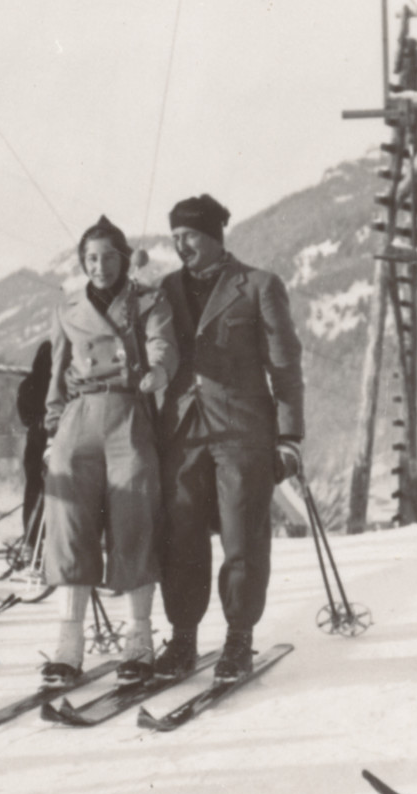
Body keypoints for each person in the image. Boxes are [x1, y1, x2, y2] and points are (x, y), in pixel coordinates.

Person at [153, 194, 305, 683]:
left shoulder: (259, 285)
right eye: (175, 237)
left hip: (243, 429)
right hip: (183, 431)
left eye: (190, 237)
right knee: (181, 538)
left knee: (243, 537)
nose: (181, 246)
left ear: (214, 237)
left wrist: (289, 437)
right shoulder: (166, 289)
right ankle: (182, 639)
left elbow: (284, 365)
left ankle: (239, 638)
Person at [39, 216, 177, 687]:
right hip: (77, 424)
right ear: (83, 263)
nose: (100, 266)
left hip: (128, 416)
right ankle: (68, 646)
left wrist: (156, 373)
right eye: (91, 258)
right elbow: (55, 377)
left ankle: (138, 640)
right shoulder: (66, 309)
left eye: (108, 257)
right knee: (69, 527)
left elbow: (163, 346)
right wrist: (53, 429)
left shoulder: (146, 300)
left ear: (122, 257)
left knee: (135, 521)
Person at [17, 341, 53, 534]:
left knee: (34, 490)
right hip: (49, 439)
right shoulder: (58, 384)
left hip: (35, 440)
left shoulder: (27, 385)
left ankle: (31, 539)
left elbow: (24, 417)